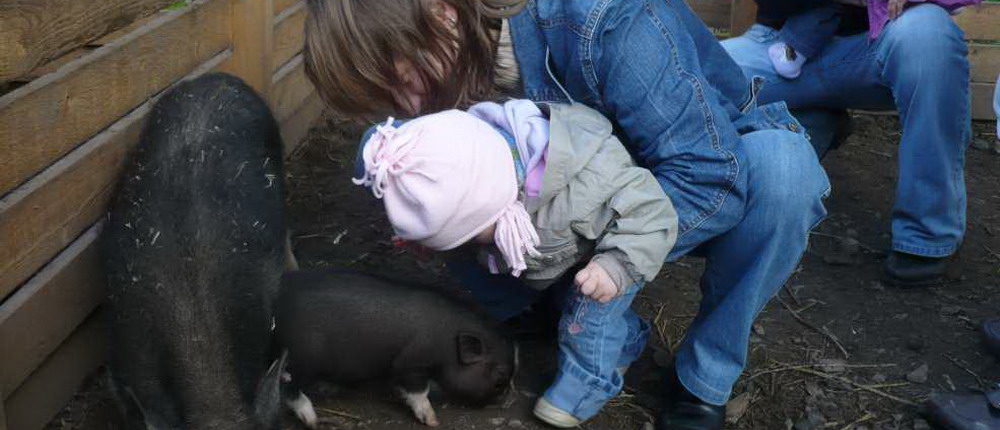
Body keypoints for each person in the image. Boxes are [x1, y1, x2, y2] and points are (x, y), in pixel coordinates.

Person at [303, 1, 830, 428]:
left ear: (443, 15)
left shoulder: (609, 20)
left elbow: (709, 173)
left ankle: (703, 378)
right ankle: (553, 310)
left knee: (786, 177)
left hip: (699, 159)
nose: (407, 107)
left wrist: (602, 262)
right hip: (574, 188)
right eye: (385, 97)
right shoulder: (440, 56)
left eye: (404, 81)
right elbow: (382, 147)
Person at [353, 100, 675, 427]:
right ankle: (627, 343)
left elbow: (652, 214)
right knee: (569, 301)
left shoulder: (590, 178)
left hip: (616, 252)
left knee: (584, 319)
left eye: (476, 235)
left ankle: (587, 388)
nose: (478, 242)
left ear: (499, 201)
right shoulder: (476, 162)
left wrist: (615, 267)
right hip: (569, 255)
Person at [722, 0, 976, 288]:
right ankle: (817, 121)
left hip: (884, 43)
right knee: (700, 82)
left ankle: (927, 235)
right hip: (779, 46)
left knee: (929, 31)